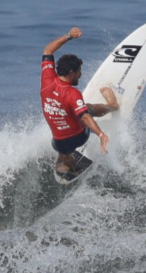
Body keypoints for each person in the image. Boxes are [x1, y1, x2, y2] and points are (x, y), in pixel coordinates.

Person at [40, 27, 119, 173]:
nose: (81, 75)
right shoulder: (72, 93)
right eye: (79, 72)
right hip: (79, 137)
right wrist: (101, 134)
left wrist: (68, 36)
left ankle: (72, 166)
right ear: (71, 73)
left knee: (63, 149)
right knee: (86, 108)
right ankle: (112, 105)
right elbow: (85, 117)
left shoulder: (47, 79)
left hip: (59, 143)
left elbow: (48, 50)